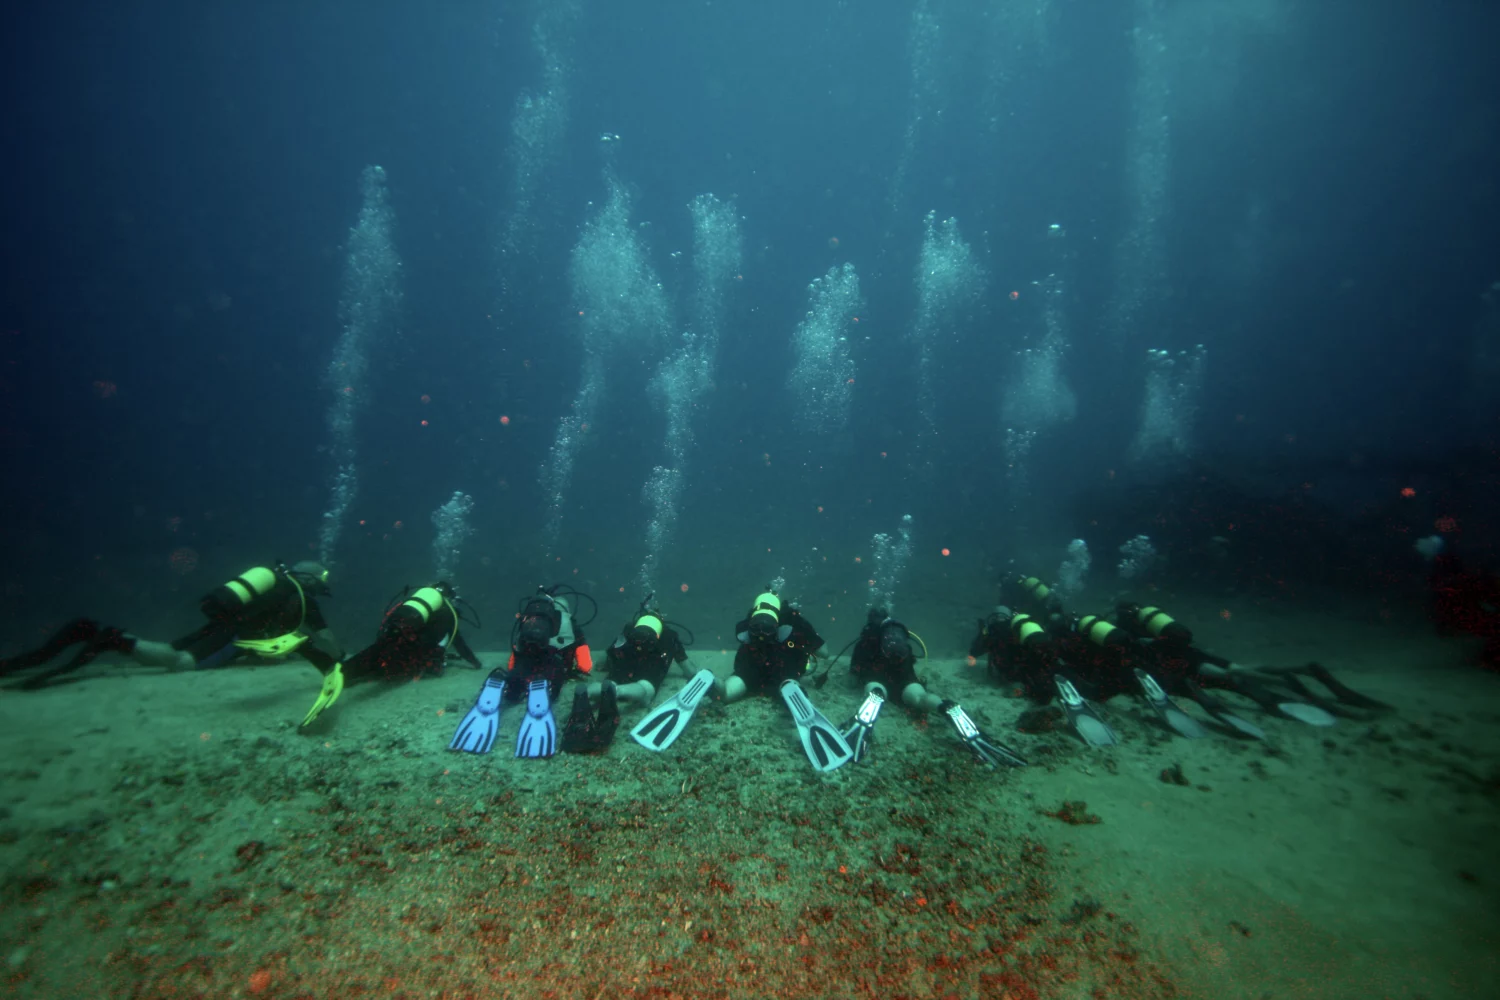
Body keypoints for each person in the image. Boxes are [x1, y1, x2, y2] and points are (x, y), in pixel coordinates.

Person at [0, 560, 343, 690]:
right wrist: (340, 656)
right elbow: (326, 640)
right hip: (234, 637)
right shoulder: (304, 600)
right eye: (321, 580)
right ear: (311, 580)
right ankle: (115, 639)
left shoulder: (277, 584)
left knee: (172, 650)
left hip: (222, 625)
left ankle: (107, 637)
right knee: (179, 663)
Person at [629, 590, 852, 772]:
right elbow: (824, 652)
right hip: (785, 667)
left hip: (750, 667)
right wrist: (804, 630)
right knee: (788, 682)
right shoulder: (794, 620)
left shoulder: (750, 620)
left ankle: (709, 680)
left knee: (725, 693)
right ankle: (792, 689)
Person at [839, 607, 1024, 768]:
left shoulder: (866, 638)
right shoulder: (900, 636)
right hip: (905, 680)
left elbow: (855, 672)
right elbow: (910, 660)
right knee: (920, 698)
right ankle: (946, 707)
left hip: (877, 676)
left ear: (870, 619)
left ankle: (874, 698)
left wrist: (859, 676)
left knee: (876, 689)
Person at [301, 581, 482, 728]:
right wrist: (476, 663)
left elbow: (389, 621)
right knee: (382, 668)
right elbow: (459, 644)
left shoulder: (414, 603)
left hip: (393, 637)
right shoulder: (448, 614)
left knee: (374, 660)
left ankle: (331, 666)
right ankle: (342, 674)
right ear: (449, 598)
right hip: (409, 654)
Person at [449, 584, 594, 759]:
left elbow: (515, 651)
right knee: (551, 685)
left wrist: (512, 670)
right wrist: (580, 668)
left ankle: (502, 681)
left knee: (514, 686)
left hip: (527, 658)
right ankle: (543, 687)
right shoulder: (569, 622)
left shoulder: (529, 618)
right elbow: (585, 663)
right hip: (554, 661)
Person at [563, 594, 695, 754]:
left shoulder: (629, 628)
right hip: (651, 665)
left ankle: (589, 692)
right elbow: (688, 669)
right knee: (645, 689)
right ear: (661, 620)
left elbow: (605, 658)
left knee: (612, 680)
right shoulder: (671, 635)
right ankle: (618, 692)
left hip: (625, 661)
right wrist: (694, 673)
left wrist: (602, 665)